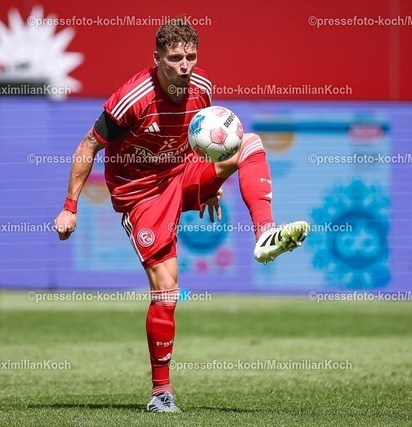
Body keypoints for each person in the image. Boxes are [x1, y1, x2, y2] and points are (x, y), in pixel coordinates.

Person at [54, 20, 309, 412]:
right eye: (175, 58)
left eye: (190, 56)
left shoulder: (202, 87)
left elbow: (198, 140)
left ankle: (265, 233)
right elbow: (89, 145)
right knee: (167, 288)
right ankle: (161, 393)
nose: (184, 65)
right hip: (141, 195)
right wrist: (70, 208)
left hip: (182, 174)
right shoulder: (132, 99)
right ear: (157, 58)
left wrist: (210, 182)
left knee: (250, 142)